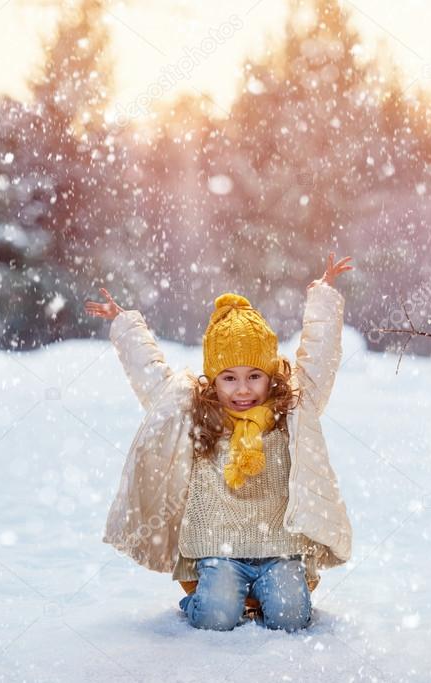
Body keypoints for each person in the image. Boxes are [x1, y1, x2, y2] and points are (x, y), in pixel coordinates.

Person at [84, 252, 354, 632]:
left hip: (279, 548)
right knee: (215, 616)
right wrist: (124, 324)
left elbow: (320, 357)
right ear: (213, 379)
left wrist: (323, 296)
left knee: (292, 617)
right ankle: (216, 596)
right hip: (219, 551)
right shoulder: (193, 411)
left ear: (270, 374)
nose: (243, 389)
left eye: (254, 375)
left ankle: (262, 591)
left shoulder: (291, 409)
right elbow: (152, 375)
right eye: (229, 378)